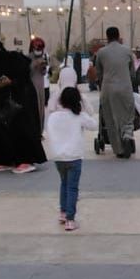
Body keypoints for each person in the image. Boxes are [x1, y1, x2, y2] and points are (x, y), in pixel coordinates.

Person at [0, 40, 47, 173]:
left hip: (17, 104)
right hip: (12, 104)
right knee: (7, 131)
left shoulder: (9, 61)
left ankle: (24, 161)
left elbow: (20, 79)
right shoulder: (7, 60)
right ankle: (7, 160)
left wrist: (10, 82)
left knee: (20, 130)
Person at [44, 87, 97, 231]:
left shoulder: (53, 117)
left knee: (64, 184)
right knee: (72, 187)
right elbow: (94, 125)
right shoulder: (79, 116)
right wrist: (84, 102)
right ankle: (70, 219)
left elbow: (49, 130)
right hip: (74, 157)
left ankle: (63, 212)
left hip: (58, 157)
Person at [95, 27, 136, 159]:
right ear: (119, 36)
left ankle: (119, 149)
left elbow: (99, 73)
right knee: (128, 115)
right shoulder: (127, 50)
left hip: (108, 89)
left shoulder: (101, 52)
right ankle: (127, 135)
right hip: (125, 87)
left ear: (107, 37)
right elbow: (132, 72)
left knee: (111, 119)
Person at [29, 37, 48, 129]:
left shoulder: (42, 57)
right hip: (32, 87)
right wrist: (35, 64)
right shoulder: (28, 58)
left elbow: (43, 73)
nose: (39, 51)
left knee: (41, 109)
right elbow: (27, 72)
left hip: (41, 87)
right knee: (34, 108)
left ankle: (40, 129)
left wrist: (43, 67)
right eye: (38, 49)